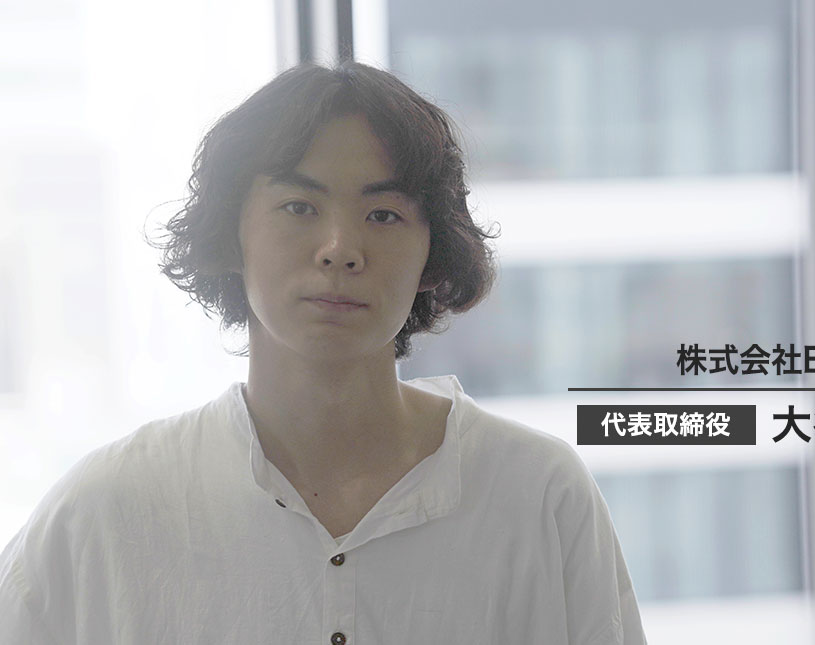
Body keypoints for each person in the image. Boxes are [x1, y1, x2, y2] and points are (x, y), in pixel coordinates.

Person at [0, 61, 646, 644]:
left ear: (433, 254)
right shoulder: (105, 511)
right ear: (231, 235)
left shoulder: (538, 493)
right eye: (299, 206)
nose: (340, 248)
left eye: (384, 215)